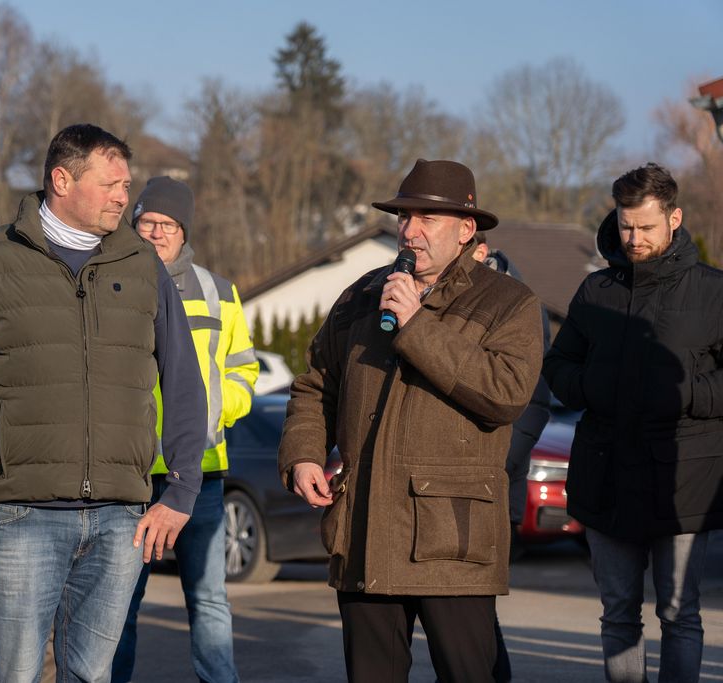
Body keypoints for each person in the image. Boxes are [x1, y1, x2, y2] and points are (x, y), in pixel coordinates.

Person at [0, 124, 207, 683]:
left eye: (127, 184)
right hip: (22, 516)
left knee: (91, 676)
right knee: (18, 674)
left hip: (123, 519)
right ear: (62, 180)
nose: (125, 196)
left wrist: (182, 490)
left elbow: (185, 383)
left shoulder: (141, 263)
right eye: (112, 183)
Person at [278, 158, 544, 683]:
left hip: (452, 542)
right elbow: (315, 385)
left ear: (466, 230)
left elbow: (506, 394)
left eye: (427, 219)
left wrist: (416, 325)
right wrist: (304, 453)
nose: (410, 230)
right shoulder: (361, 296)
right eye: (405, 217)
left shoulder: (509, 302)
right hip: (365, 532)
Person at [543, 163, 723, 683]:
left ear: (674, 219)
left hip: (683, 477)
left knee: (679, 613)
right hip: (606, 471)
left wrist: (681, 394)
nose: (634, 237)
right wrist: (596, 389)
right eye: (626, 226)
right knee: (618, 613)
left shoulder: (713, 292)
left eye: (646, 227)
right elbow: (558, 365)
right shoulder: (595, 291)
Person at [113, 177, 259, 683]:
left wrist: (216, 412)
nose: (156, 232)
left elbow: (244, 369)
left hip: (201, 471)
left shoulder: (219, 292)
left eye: (167, 225)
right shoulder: (106, 281)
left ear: (183, 232)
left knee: (208, 598)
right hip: (127, 475)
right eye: (147, 221)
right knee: (119, 606)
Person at [471, 233, 552, 682]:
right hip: (452, 487)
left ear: (480, 251)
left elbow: (532, 403)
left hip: (494, 489)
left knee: (478, 613)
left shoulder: (518, 306)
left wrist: (494, 463)